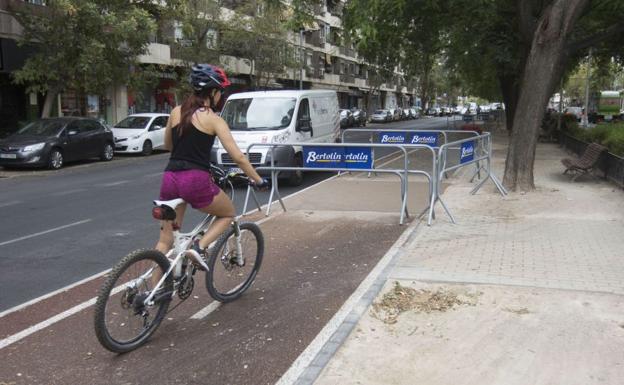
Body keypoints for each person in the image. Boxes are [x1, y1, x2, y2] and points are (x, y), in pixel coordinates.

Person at [156, 63, 267, 262]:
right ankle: (199, 247)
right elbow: (238, 157)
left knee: (165, 241)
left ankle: (152, 291)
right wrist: (258, 179)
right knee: (228, 214)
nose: (220, 97)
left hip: (170, 177)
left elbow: (168, 145)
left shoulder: (176, 112)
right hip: (194, 179)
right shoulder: (214, 119)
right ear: (213, 92)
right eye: (220, 92)